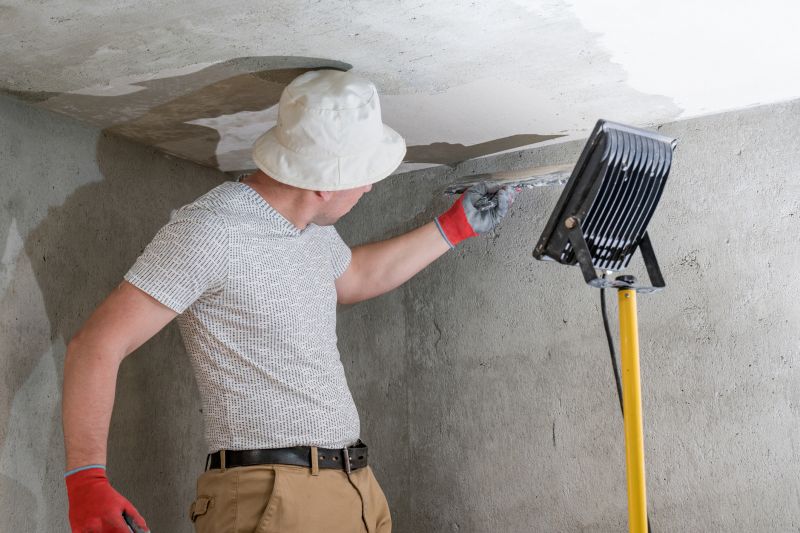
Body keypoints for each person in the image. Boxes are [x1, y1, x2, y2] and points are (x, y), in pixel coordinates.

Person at [61, 69, 516, 533]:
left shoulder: (311, 232)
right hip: (274, 497)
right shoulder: (212, 230)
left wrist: (454, 227)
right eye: (362, 177)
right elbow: (97, 344)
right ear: (322, 185)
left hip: (355, 488)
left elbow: (354, 276)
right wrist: (86, 479)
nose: (369, 188)